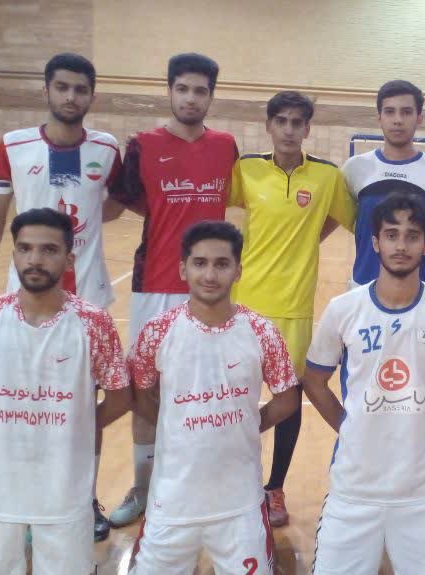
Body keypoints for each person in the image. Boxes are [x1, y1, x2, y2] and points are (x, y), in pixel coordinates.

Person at [0, 53, 124, 540]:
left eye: (80, 89)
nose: (71, 97)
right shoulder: (13, 146)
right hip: (26, 300)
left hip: (88, 299)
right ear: (47, 90)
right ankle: (26, 500)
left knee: (83, 408)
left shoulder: (107, 148)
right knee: (29, 404)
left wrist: (86, 221)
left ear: (92, 96)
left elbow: (115, 204)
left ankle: (84, 498)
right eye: (62, 87)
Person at [301, 193, 425, 574]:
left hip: (423, 495)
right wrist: (348, 425)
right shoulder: (343, 309)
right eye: (391, 234)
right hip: (354, 492)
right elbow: (315, 381)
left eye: (412, 236)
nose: (401, 245)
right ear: (375, 242)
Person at [0, 208, 131, 574]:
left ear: (69, 259)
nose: (34, 259)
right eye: (25, 248)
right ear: (14, 254)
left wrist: (77, 426)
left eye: (49, 250)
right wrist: (9, 424)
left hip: (64, 492)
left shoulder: (93, 323)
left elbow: (120, 398)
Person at [107, 52, 240, 529]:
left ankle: (205, 488)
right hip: (155, 284)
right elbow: (124, 204)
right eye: (182, 89)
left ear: (211, 96)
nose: (190, 98)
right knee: (146, 389)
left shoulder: (226, 147)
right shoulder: (141, 146)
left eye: (200, 90)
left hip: (211, 289)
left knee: (210, 390)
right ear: (169, 91)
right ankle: (144, 488)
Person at [127, 221, 300, 574]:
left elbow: (287, 399)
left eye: (221, 264)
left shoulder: (262, 331)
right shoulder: (157, 332)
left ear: (238, 270)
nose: (209, 275)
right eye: (200, 263)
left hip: (241, 504)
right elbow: (140, 394)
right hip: (171, 502)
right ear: (183, 269)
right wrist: (173, 424)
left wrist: (248, 424)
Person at [230, 90, 356, 527]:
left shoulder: (326, 177)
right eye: (280, 121)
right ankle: (237, 479)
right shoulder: (245, 168)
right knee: (239, 395)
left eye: (296, 122)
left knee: (290, 400)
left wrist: (311, 234)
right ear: (268, 125)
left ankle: (275, 487)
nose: (288, 130)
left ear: (307, 128)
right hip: (244, 305)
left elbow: (347, 217)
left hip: (295, 308)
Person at [342, 79, 425, 286]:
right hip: (363, 288)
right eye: (390, 112)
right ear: (379, 117)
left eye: (406, 112)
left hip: (419, 291)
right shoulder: (354, 168)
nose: (398, 120)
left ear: (419, 117)